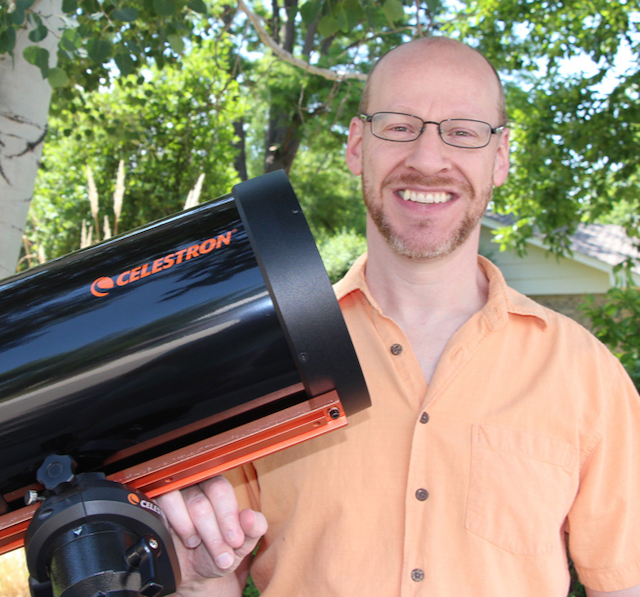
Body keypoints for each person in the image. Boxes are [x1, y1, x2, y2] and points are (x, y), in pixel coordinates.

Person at [157, 37, 640, 597]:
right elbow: (215, 577)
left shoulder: (586, 374)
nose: (429, 159)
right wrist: (190, 581)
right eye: (399, 126)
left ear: (501, 157)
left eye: (462, 131)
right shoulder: (264, 363)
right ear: (358, 146)